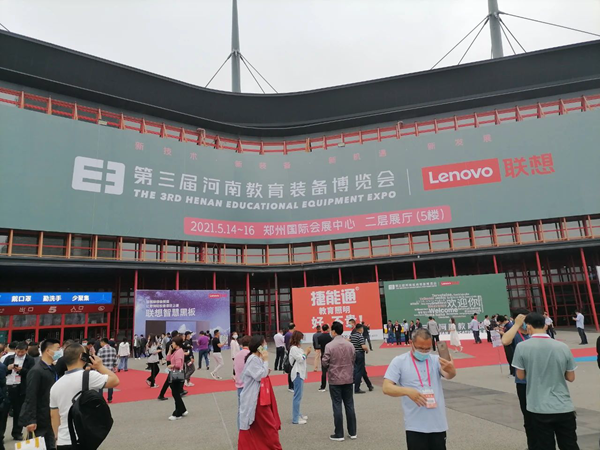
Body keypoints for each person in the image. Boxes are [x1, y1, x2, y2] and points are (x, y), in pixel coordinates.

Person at [512, 313, 578, 450]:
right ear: (545, 325)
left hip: (538, 406)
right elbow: (571, 377)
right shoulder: (562, 346)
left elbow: (520, 375)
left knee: (544, 445)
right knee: (569, 444)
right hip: (563, 405)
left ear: (528, 326)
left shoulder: (522, 347)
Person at [383, 328, 457, 450]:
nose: (423, 352)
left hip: (437, 424)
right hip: (415, 426)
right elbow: (386, 387)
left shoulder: (435, 360)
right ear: (411, 343)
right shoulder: (399, 361)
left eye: (427, 349)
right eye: (420, 348)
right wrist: (407, 391)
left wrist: (452, 370)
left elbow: (449, 375)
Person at [50, 344, 119, 449]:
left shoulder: (55, 386)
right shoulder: (89, 376)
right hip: (82, 437)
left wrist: (57, 437)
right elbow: (115, 381)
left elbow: (54, 416)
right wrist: (100, 366)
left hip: (63, 440)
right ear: (81, 356)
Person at [238, 335, 282, 449]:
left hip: (259, 395)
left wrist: (264, 365)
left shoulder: (256, 358)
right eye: (264, 344)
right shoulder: (253, 358)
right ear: (259, 346)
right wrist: (266, 360)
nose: (265, 346)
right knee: (269, 425)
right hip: (256, 398)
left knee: (262, 425)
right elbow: (260, 376)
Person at [501, 311, 534, 450]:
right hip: (523, 382)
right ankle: (532, 445)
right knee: (528, 416)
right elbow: (505, 341)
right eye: (522, 320)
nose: (525, 323)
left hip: (539, 381)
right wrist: (516, 325)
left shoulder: (534, 333)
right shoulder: (515, 334)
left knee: (543, 416)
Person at [19, 338, 60, 450]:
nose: (59, 352)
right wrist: (31, 420)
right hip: (40, 417)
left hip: (50, 415)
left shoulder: (52, 368)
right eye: (57, 349)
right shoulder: (36, 371)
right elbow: (31, 396)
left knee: (51, 444)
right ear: (48, 351)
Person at [321, 321, 356, 441]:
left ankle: (339, 433)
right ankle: (352, 432)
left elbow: (324, 361)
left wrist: (330, 367)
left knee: (337, 405)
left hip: (335, 379)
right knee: (349, 404)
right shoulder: (349, 345)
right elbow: (353, 359)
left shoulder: (329, 346)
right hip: (348, 377)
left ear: (334, 331)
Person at [3, 342, 35, 441]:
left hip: (21, 388)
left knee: (18, 412)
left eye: (22, 352)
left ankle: (17, 432)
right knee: (4, 412)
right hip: (8, 386)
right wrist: (8, 368)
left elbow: (31, 373)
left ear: (26, 350)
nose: (20, 353)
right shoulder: (9, 358)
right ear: (15, 350)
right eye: (18, 351)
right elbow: (2, 371)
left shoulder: (30, 360)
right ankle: (1, 434)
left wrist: (21, 370)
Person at [289, 330, 310, 424]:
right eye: (301, 338)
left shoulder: (298, 348)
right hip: (297, 373)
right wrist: (306, 353)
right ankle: (295, 418)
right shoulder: (294, 348)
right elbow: (301, 359)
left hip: (300, 373)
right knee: (297, 396)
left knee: (299, 395)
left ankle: (298, 413)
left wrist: (305, 353)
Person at [166, 336, 187, 420]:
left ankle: (178, 413)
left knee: (175, 394)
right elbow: (168, 358)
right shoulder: (177, 351)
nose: (172, 344)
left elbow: (178, 365)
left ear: (177, 343)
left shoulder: (178, 352)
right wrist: (170, 350)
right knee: (176, 393)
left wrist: (171, 366)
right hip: (177, 373)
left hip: (176, 373)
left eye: (173, 343)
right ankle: (182, 409)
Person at [234, 336, 251, 430]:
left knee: (241, 409)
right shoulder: (250, 355)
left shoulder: (237, 355)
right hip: (249, 385)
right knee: (250, 410)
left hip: (239, 384)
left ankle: (240, 430)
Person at [350, 323, 373, 394]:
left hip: (354, 354)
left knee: (362, 370)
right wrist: (367, 350)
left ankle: (369, 385)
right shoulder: (360, 336)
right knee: (359, 371)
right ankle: (357, 388)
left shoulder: (352, 336)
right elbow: (363, 346)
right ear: (360, 329)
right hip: (360, 354)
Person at [97, 338, 118, 403]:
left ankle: (101, 398)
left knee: (101, 384)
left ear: (103, 342)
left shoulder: (101, 350)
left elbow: (98, 359)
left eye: (101, 342)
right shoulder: (113, 349)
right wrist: (115, 366)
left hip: (102, 369)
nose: (100, 344)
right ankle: (109, 398)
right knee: (110, 384)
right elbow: (115, 359)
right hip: (110, 369)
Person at [317, 324, 333, 392]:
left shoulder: (320, 337)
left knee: (324, 371)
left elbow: (318, 344)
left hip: (323, 354)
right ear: (327, 329)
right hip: (330, 354)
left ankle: (322, 386)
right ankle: (332, 385)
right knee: (331, 370)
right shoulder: (330, 337)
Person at [284, 324, 295, 392]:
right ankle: (291, 386)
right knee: (291, 370)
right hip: (291, 353)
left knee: (291, 370)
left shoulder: (286, 334)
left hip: (289, 352)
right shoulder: (290, 335)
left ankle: (291, 386)